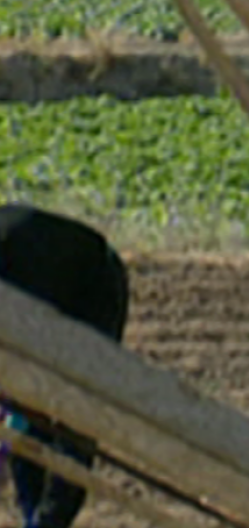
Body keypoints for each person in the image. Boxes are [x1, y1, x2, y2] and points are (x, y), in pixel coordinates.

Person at [0, 204, 130, 528]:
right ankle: (35, 515)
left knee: (76, 419)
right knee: (26, 413)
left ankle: (47, 522)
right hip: (41, 284)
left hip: (91, 285)